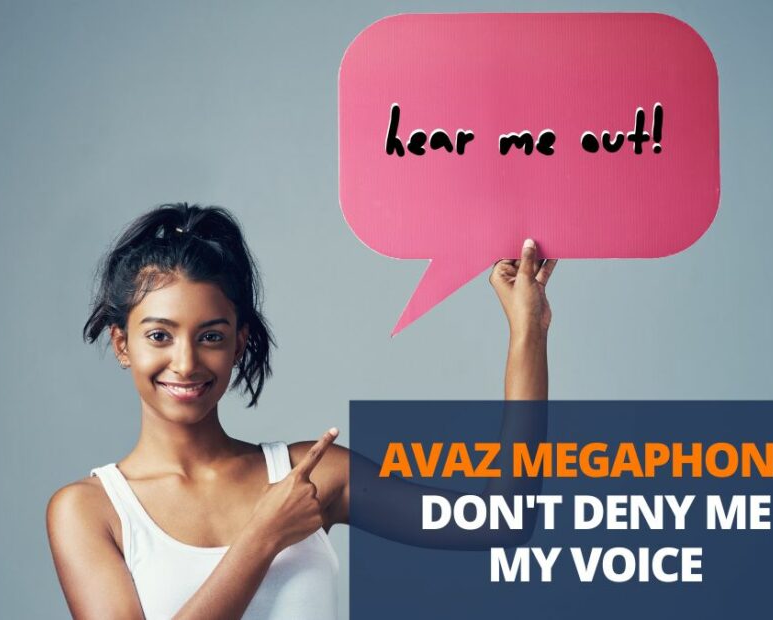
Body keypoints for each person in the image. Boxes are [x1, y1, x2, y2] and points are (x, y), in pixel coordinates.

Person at [46, 203, 556, 619]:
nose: (185, 362)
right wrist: (262, 537)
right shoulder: (90, 511)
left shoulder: (311, 476)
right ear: (122, 344)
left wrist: (526, 330)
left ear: (239, 343)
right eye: (159, 335)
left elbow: (501, 521)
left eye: (211, 337)